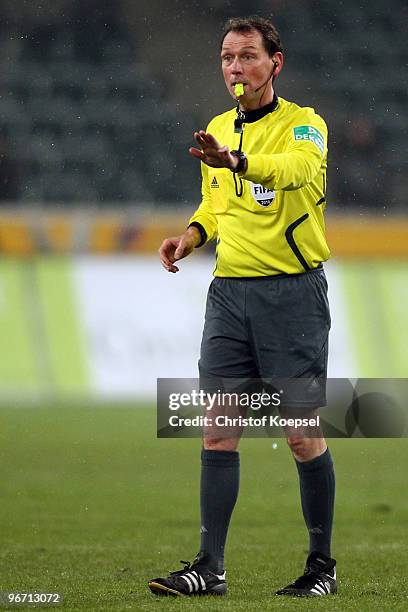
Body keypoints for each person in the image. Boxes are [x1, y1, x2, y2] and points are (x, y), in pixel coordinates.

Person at [148, 16, 336, 598]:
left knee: (301, 433)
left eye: (248, 56)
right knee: (217, 429)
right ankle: (209, 567)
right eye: (228, 57)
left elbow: (299, 172)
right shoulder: (215, 128)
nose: (236, 67)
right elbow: (216, 204)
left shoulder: (304, 125)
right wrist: (192, 236)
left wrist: (239, 161)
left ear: (275, 63)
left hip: (292, 293)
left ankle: (321, 568)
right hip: (230, 292)